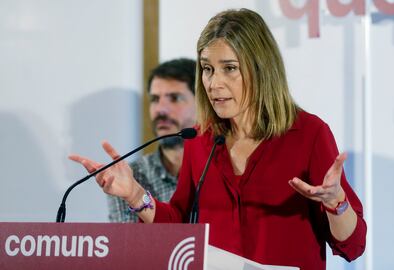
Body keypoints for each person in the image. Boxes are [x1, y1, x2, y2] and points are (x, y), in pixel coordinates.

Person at [69, 8, 366, 270]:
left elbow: (353, 246)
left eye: (229, 68)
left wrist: (336, 203)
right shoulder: (200, 140)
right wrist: (136, 195)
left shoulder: (309, 134)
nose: (214, 83)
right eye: (207, 69)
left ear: (261, 70)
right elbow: (180, 227)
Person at [108, 58, 196, 222]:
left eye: (174, 98)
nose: (160, 109)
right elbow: (128, 245)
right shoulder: (132, 176)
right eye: (155, 99)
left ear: (203, 104)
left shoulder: (219, 169)